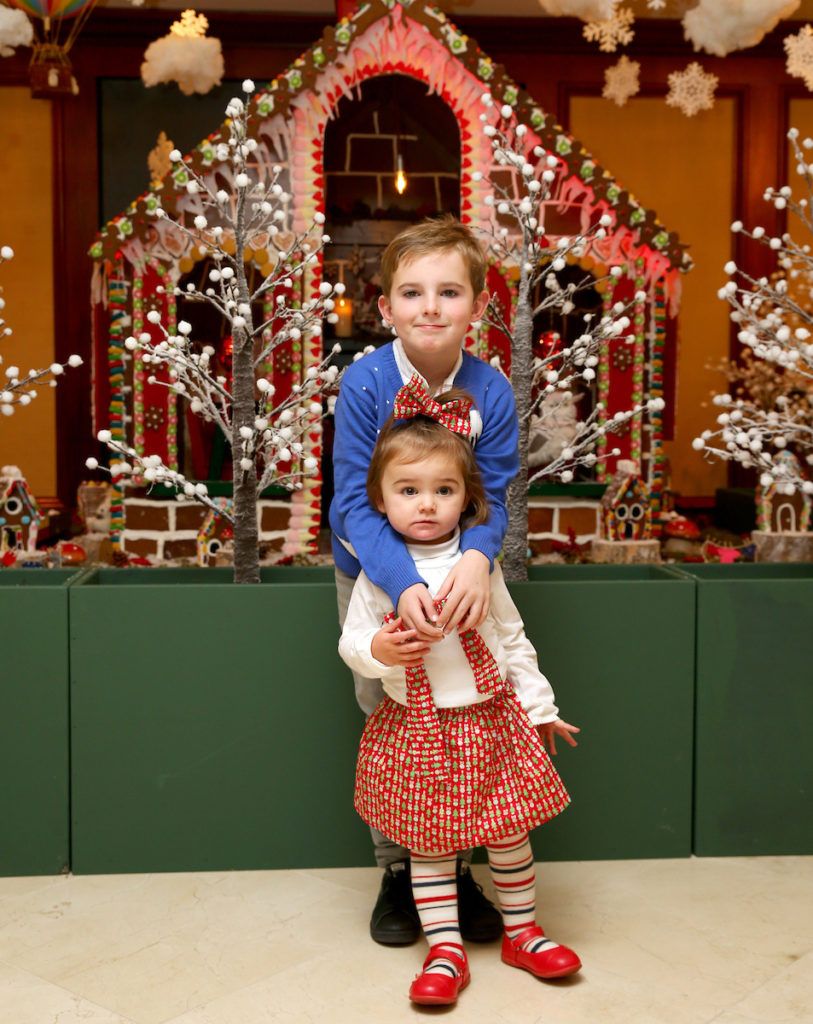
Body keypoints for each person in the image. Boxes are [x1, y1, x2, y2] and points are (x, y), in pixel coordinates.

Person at [339, 389, 581, 1007]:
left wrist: (540, 708)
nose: (426, 504)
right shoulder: (377, 574)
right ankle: (444, 947)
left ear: (466, 499)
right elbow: (354, 643)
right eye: (409, 490)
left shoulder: (478, 564)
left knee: (508, 833)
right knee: (431, 845)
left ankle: (522, 932)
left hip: (491, 724)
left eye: (443, 491)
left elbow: (511, 637)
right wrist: (381, 654)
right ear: (381, 499)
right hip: (418, 732)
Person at [330, 217, 519, 945]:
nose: (430, 307)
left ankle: (455, 868)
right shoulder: (366, 382)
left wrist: (475, 560)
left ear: (476, 305)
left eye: (448, 291)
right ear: (386, 307)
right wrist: (401, 584)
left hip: (463, 579)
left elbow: (494, 493)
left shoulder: (490, 390)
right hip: (376, 578)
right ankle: (398, 869)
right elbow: (352, 498)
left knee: (467, 714)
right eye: (412, 292)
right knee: (393, 718)